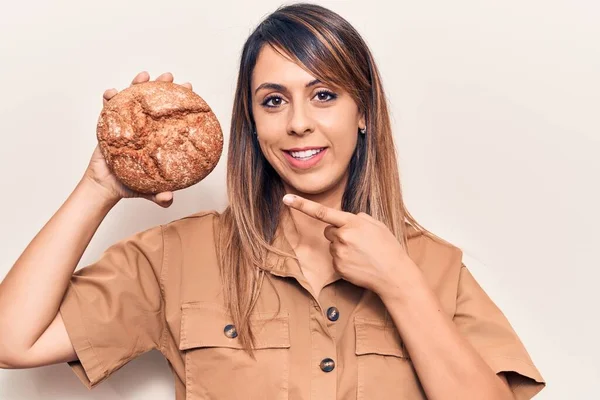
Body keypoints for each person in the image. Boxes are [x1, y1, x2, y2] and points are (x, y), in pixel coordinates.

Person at [0, 3, 546, 399]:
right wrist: (102, 185)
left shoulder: (433, 266)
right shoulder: (178, 257)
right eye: (274, 100)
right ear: (252, 123)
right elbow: (13, 342)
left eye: (324, 95)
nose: (299, 123)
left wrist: (400, 284)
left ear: (363, 113)